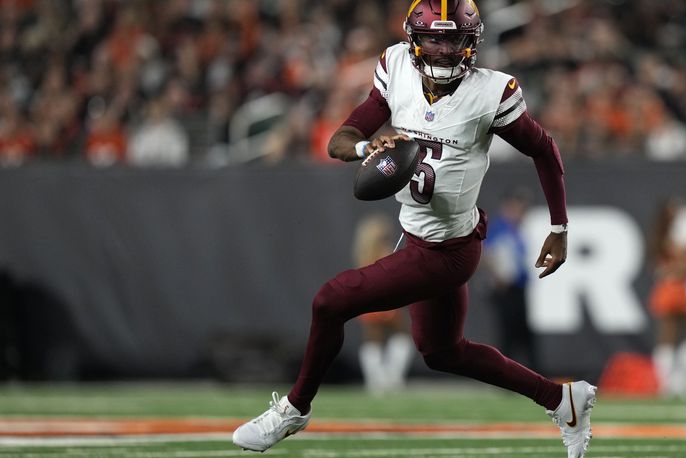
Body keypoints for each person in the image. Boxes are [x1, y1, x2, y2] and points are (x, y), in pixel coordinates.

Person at [232, 2, 597, 457]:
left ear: (472, 41)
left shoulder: (491, 92)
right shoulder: (397, 67)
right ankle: (563, 400)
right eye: (434, 39)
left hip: (448, 251)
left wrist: (559, 225)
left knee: (330, 301)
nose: (444, 50)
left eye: (454, 39)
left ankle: (294, 409)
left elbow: (543, 148)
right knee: (443, 351)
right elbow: (339, 140)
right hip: (416, 234)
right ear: (414, 39)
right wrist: (369, 144)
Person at [647, 198, 686, 397]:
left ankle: (674, 380)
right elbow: (680, 265)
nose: (678, 212)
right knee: (674, 336)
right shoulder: (666, 235)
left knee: (683, 336)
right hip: (674, 288)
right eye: (674, 210)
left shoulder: (667, 234)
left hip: (673, 287)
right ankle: (674, 381)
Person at [352, 213, 413, 395]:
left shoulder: (362, 254)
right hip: (385, 300)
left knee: (373, 339)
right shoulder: (383, 252)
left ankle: (377, 379)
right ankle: (390, 377)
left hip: (368, 300)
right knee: (400, 335)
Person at [483, 187, 541, 372]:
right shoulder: (500, 228)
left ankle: (529, 370)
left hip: (519, 287)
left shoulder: (517, 230)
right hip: (506, 288)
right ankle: (506, 371)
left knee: (523, 332)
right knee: (509, 332)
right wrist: (499, 276)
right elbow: (486, 253)